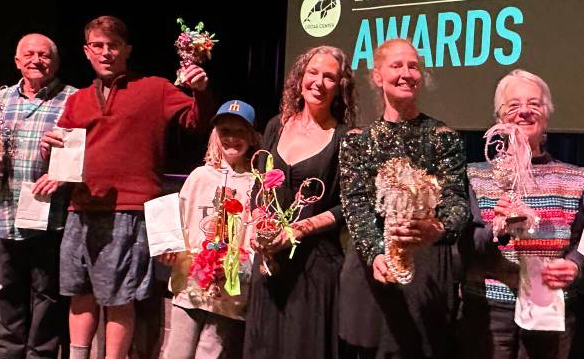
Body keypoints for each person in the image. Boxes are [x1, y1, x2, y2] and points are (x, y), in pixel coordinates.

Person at [43, 15, 215, 359]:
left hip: (129, 209)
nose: (106, 53)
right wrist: (51, 150)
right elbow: (66, 151)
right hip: (82, 208)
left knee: (119, 297)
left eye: (113, 46)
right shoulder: (76, 101)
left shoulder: (155, 88)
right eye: (98, 46)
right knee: (80, 292)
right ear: (86, 51)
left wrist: (201, 91)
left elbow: (197, 122)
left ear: (127, 50)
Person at [338, 38, 470, 358]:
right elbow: (355, 204)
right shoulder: (357, 141)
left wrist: (436, 229)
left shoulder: (443, 137)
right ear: (378, 75)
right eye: (397, 65)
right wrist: (376, 255)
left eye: (413, 66)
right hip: (372, 266)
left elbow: (457, 203)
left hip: (426, 266)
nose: (407, 73)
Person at [458, 69, 584, 359]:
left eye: (534, 104)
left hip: (551, 310)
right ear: (499, 118)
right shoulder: (475, 176)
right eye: (513, 106)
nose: (525, 112)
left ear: (547, 114)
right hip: (490, 309)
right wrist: (499, 228)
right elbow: (466, 246)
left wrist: (575, 266)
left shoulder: (576, 176)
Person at [242, 46, 356, 359]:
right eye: (313, 73)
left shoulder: (346, 137)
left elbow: (347, 206)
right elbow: (259, 185)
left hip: (316, 268)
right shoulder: (276, 125)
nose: (319, 82)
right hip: (271, 264)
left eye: (329, 77)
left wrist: (297, 230)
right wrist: (257, 224)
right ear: (300, 78)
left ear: (340, 86)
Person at [0, 33, 78, 359]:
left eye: (44, 55)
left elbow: (84, 157)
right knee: (10, 294)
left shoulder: (74, 99)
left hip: (50, 218)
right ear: (17, 62)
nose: (37, 60)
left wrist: (63, 171)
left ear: (55, 62)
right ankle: (8, 354)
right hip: (5, 214)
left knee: (47, 296)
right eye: (29, 54)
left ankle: (41, 356)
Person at [159, 100, 260, 359]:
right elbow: (175, 219)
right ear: (216, 135)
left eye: (240, 132)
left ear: (252, 137)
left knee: (211, 352)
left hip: (229, 288)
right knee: (176, 352)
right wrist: (168, 248)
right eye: (225, 131)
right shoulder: (199, 176)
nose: (232, 138)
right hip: (190, 283)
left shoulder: (256, 184)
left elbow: (255, 232)